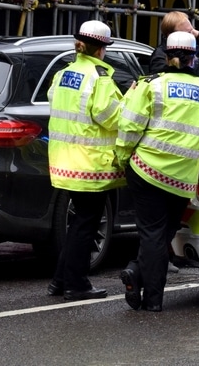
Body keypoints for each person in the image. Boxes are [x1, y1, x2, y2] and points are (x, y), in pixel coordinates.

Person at [117, 31, 199, 312]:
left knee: (152, 234)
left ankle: (150, 297)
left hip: (146, 170)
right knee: (163, 234)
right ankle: (140, 280)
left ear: (166, 56)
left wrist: (122, 159)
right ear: (194, 59)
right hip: (182, 180)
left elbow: (129, 126)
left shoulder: (150, 86)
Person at [46, 20, 125, 301]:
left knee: (80, 221)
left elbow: (55, 102)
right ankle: (76, 284)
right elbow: (110, 116)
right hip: (90, 163)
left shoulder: (64, 73)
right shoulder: (100, 77)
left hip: (65, 161)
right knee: (85, 224)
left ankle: (60, 281)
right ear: (101, 49)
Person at [148, 11, 199, 75]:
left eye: (192, 30)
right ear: (171, 35)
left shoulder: (192, 51)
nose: (192, 36)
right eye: (187, 33)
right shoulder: (160, 55)